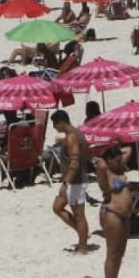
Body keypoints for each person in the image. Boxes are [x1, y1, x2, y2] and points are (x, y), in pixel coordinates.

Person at [51, 109, 90, 254]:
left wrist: (65, 183)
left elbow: (74, 163)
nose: (55, 128)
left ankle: (83, 247)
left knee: (79, 214)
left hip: (76, 181)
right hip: (75, 180)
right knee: (57, 207)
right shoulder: (76, 134)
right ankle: (83, 235)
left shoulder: (71, 137)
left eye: (55, 124)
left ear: (61, 122)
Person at [94, 145, 133, 278]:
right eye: (115, 161)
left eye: (119, 160)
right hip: (112, 213)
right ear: (108, 161)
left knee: (120, 253)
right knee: (112, 253)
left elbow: (129, 149)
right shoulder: (105, 173)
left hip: (125, 216)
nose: (119, 163)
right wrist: (103, 156)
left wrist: (115, 144)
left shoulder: (119, 169)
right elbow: (101, 164)